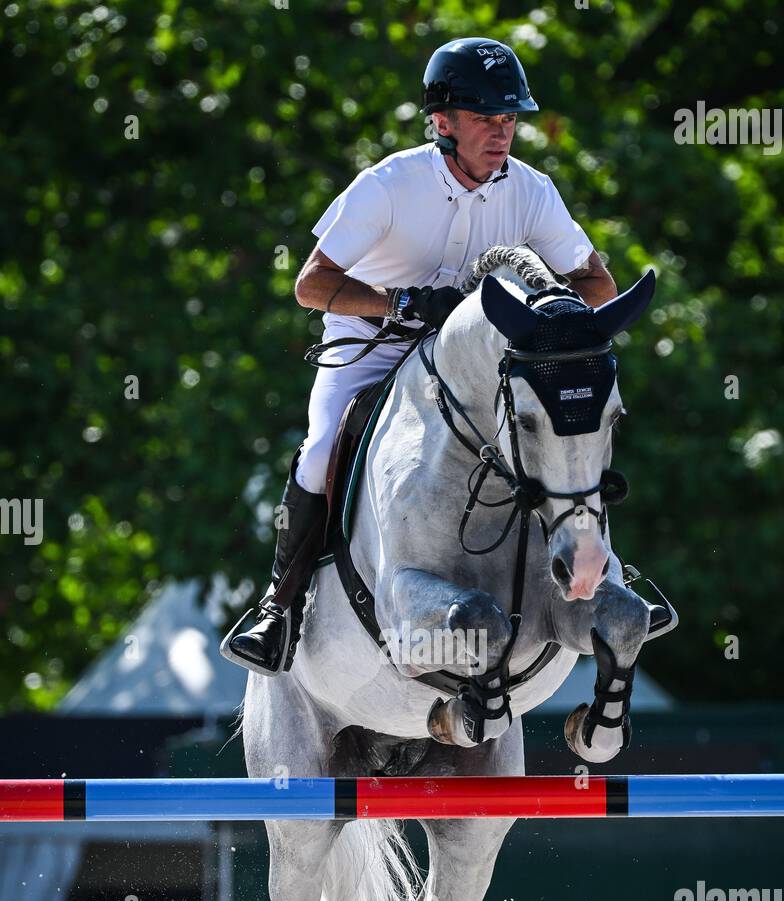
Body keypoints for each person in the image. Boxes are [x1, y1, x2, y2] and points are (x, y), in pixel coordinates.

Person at [224, 36, 617, 675]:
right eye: (486, 118)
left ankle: (596, 582)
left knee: (558, 428)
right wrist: (402, 303)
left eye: (510, 118)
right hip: (372, 347)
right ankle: (282, 605)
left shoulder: (533, 191)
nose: (502, 132)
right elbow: (312, 286)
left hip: (478, 361)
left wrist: (543, 312)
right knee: (323, 446)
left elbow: (597, 285)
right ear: (442, 123)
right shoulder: (388, 184)